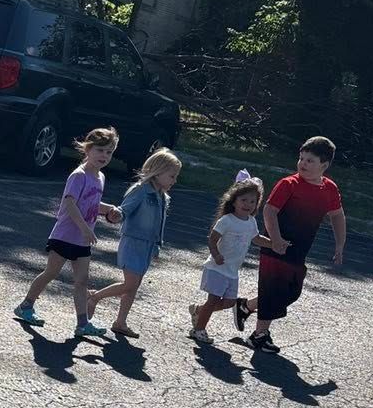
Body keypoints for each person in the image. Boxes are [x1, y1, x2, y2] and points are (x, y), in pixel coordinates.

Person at [11, 128, 123, 340]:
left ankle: (82, 323)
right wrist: (84, 228)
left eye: (109, 152)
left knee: (82, 281)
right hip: (65, 235)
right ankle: (26, 305)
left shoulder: (100, 177)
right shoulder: (79, 176)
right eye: (100, 150)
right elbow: (70, 203)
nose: (104, 156)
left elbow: (91, 203)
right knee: (51, 272)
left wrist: (109, 209)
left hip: (82, 240)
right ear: (87, 149)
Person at [236, 137, 346, 352]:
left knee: (291, 292)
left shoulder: (329, 189)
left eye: (310, 160)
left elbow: (337, 216)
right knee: (273, 288)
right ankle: (259, 335)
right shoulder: (289, 184)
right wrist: (275, 240)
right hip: (275, 246)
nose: (303, 163)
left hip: (298, 251)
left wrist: (340, 245)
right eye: (301, 158)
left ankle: (246, 306)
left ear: (324, 165)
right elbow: (270, 211)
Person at [89, 148, 182, 338]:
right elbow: (124, 210)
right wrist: (116, 215)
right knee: (129, 284)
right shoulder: (141, 190)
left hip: (148, 246)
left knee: (134, 286)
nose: (174, 180)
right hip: (133, 242)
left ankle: (120, 322)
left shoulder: (163, 197)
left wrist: (157, 245)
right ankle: (94, 297)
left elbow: (158, 224)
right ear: (157, 172)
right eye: (172, 176)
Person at [191, 172, 266, 339]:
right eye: (244, 200)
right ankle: (198, 330)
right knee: (213, 300)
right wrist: (216, 254)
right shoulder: (227, 220)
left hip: (232, 271)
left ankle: (199, 311)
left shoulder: (251, 222)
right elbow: (212, 239)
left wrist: (275, 243)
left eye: (252, 201)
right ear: (234, 201)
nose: (248, 204)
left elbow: (257, 239)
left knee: (229, 302)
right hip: (217, 268)